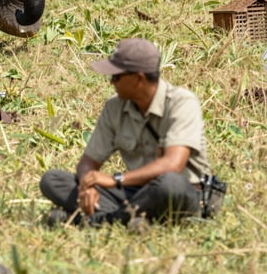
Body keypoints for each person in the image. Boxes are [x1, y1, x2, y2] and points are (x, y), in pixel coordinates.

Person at [40, 37, 211, 227]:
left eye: (117, 76)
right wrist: (86, 185)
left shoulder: (182, 103)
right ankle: (133, 219)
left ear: (139, 78)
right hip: (135, 192)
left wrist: (115, 180)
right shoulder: (114, 107)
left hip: (183, 192)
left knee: (170, 184)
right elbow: (88, 161)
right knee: (52, 180)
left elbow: (173, 165)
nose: (112, 82)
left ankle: (94, 221)